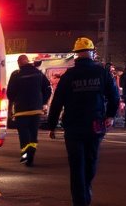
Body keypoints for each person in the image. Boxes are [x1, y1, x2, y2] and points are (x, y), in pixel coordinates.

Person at [47, 37, 120, 206]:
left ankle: (80, 200)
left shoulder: (69, 76)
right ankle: (86, 186)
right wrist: (109, 115)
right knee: (91, 160)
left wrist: (51, 126)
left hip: (73, 126)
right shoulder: (102, 73)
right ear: (92, 53)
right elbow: (114, 96)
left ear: (76, 55)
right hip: (95, 125)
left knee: (76, 164)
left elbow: (57, 101)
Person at [6, 54, 52, 166]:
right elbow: (48, 89)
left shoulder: (16, 75)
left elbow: (10, 93)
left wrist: (13, 104)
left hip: (21, 111)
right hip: (36, 110)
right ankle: (31, 155)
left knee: (24, 135)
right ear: (27, 61)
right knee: (33, 134)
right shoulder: (38, 73)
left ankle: (25, 156)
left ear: (19, 63)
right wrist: (42, 102)